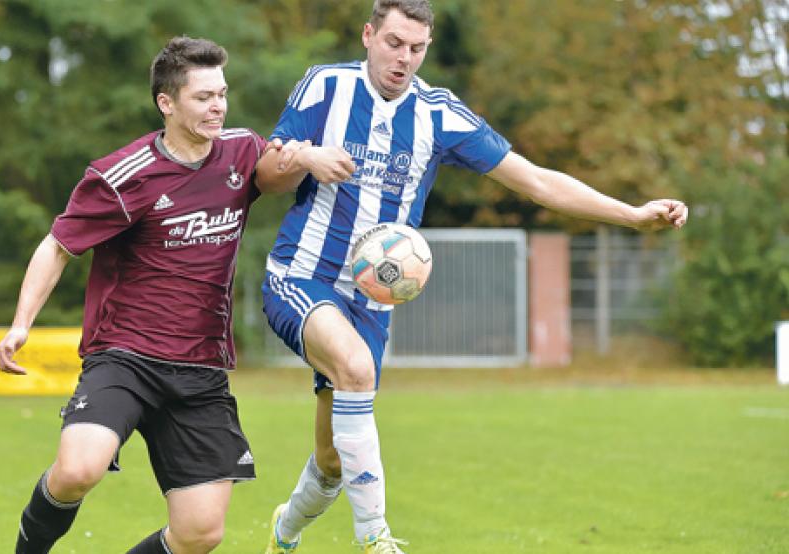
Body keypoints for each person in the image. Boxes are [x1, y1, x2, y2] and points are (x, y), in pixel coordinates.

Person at [258, 1, 690, 552]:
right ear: (369, 35)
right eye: (393, 43)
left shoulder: (439, 115)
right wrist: (309, 157)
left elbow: (535, 181)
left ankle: (283, 531)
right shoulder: (326, 86)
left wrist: (631, 214)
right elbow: (266, 174)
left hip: (371, 300)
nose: (403, 58)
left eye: (416, 48)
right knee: (356, 367)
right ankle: (376, 539)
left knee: (335, 461)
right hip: (302, 276)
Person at [0, 36, 342, 554]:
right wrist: (22, 323)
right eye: (203, 97)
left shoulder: (241, 149)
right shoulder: (122, 175)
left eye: (222, 93)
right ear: (167, 102)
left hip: (200, 369)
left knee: (201, 533)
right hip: (125, 356)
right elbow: (58, 245)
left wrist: (309, 156)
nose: (218, 106)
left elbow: (271, 173)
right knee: (77, 468)